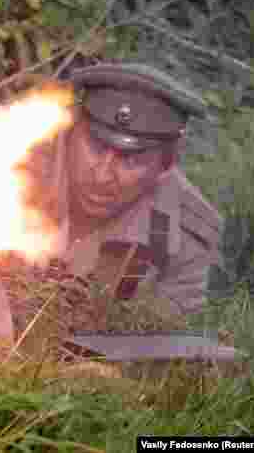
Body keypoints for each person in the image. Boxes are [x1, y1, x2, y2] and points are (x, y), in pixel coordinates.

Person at [16, 63, 222, 314]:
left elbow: (163, 337)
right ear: (70, 128)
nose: (102, 176)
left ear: (166, 164)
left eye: (131, 159)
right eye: (96, 147)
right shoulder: (6, 159)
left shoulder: (183, 233)